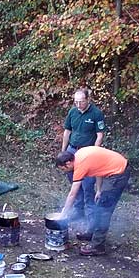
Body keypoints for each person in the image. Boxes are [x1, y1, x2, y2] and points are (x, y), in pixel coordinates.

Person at [55, 146, 129, 256]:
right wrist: (99, 190)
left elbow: (72, 195)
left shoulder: (80, 165)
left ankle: (98, 246)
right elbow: (99, 169)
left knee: (103, 210)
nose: (64, 171)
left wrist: (63, 214)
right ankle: (92, 233)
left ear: (69, 163)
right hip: (113, 169)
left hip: (118, 173)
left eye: (63, 169)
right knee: (98, 205)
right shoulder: (79, 155)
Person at [59, 88, 106, 224]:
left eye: (81, 102)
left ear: (88, 100)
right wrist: (63, 152)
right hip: (72, 150)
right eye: (76, 102)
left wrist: (95, 153)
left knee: (87, 184)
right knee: (74, 181)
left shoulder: (96, 114)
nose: (78, 105)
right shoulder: (72, 112)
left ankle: (91, 219)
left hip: (87, 153)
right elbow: (67, 131)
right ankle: (78, 211)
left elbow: (99, 135)